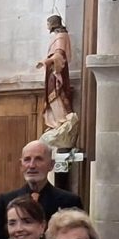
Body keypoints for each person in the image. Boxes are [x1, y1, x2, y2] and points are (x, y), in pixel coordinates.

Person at [0, 139, 82, 239]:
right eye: (27, 160)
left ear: (51, 165)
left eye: (38, 159)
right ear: (21, 165)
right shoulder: (5, 201)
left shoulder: (69, 202)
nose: (32, 165)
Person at [38, 15, 77, 147]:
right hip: (52, 71)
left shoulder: (61, 36)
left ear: (53, 23)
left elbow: (59, 54)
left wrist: (46, 62)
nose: (47, 25)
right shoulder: (58, 36)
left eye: (48, 23)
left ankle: (60, 122)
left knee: (56, 96)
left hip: (56, 72)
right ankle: (56, 124)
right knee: (52, 97)